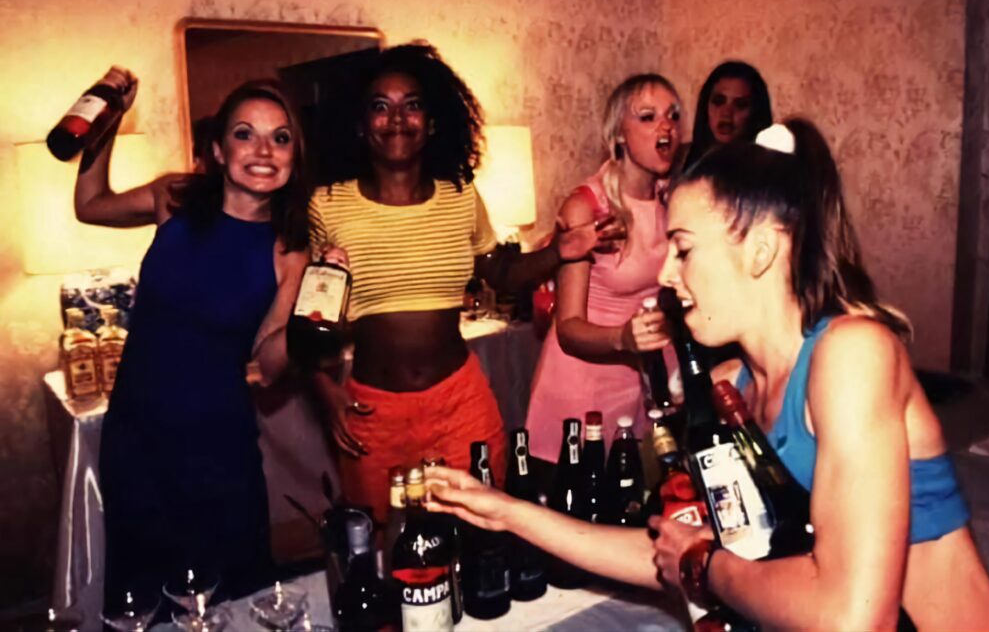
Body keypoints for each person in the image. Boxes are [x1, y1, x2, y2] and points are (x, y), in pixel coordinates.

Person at [424, 118, 989, 630]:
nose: (669, 277)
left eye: (683, 249)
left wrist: (707, 568)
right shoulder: (740, 385)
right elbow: (669, 551)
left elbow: (851, 616)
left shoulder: (852, 356)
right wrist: (506, 511)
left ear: (759, 250)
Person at [307, 43, 612, 522]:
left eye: (412, 105)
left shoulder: (460, 195)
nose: (397, 118)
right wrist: (325, 390)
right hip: (373, 414)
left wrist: (560, 252)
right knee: (389, 550)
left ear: (431, 123)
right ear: (361, 125)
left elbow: (502, 273)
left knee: (481, 532)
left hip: (459, 404)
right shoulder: (327, 205)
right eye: (380, 107)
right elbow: (304, 318)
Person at [77, 68, 311, 601]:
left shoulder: (289, 251)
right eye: (244, 133)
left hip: (218, 451)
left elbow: (271, 368)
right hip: (136, 442)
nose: (263, 150)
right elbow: (89, 205)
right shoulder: (174, 198)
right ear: (218, 149)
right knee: (144, 598)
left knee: (229, 596)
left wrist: (319, 304)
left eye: (281, 138)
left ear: (295, 156)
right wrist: (105, 123)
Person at [524, 74, 681, 463]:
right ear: (619, 134)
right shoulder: (587, 207)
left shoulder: (673, 197)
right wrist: (623, 339)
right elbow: (568, 328)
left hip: (648, 378)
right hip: (585, 382)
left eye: (673, 116)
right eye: (647, 117)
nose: (666, 127)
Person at [684, 60, 773, 167]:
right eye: (718, 101)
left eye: (740, 105)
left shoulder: (769, 168)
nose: (726, 113)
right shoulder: (681, 161)